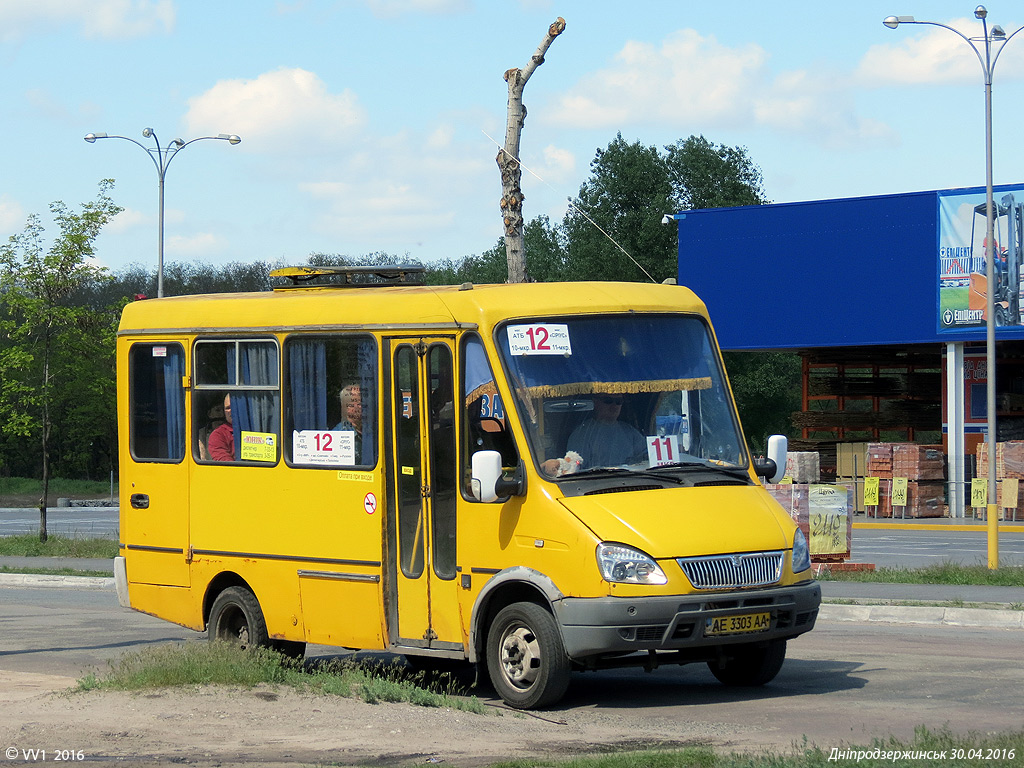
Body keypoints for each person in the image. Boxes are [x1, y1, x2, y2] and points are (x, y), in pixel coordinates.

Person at [544, 394, 646, 475]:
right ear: (595, 402)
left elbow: (646, 455)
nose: (614, 406)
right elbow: (574, 467)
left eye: (618, 402)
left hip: (630, 481)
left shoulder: (629, 431)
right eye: (608, 401)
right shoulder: (582, 434)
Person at [332, 384, 363, 458]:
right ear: (348, 407)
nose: (363, 406)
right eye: (359, 402)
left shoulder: (373, 431)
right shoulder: (339, 435)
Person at [208, 393, 235, 461]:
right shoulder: (218, 434)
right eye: (227, 408)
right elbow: (225, 464)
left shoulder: (253, 427)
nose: (231, 411)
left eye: (234, 407)